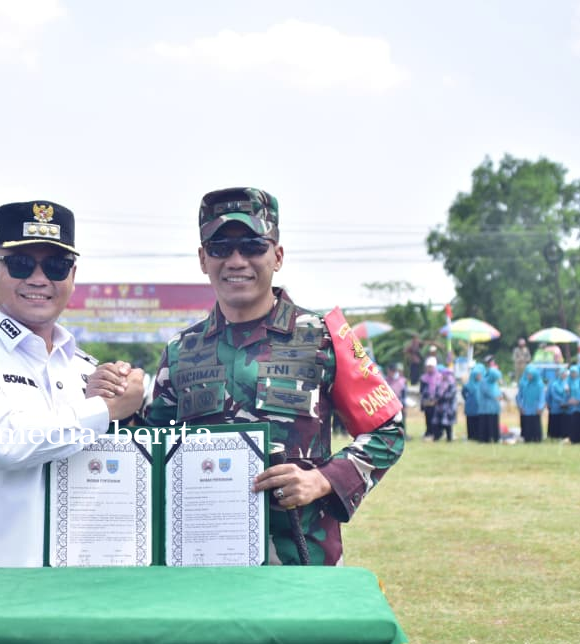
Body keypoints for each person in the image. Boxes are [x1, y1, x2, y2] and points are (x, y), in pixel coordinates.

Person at [143, 186, 404, 569]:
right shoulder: (181, 351)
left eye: (252, 246)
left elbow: (388, 431)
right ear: (202, 259)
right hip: (203, 563)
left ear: (277, 255)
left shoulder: (324, 337)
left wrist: (323, 480)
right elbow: (152, 451)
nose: (236, 261)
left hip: (301, 561)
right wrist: (119, 407)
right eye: (220, 248)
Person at [0, 199, 144, 568]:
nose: (39, 279)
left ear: (72, 276)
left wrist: (122, 403)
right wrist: (103, 410)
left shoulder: (84, 369)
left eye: (56, 266)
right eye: (21, 264)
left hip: (67, 585)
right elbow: (3, 442)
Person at [515, 364, 545, 442]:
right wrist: (520, 406)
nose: (528, 376)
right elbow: (519, 396)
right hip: (526, 407)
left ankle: (537, 438)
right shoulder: (525, 384)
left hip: (536, 408)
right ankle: (527, 438)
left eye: (530, 375)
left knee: (535, 422)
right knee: (527, 422)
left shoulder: (539, 384)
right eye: (527, 374)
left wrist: (540, 407)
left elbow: (542, 397)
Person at [430, 365, 457, 441]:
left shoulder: (451, 384)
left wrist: (441, 398)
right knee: (436, 423)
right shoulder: (439, 383)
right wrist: (435, 398)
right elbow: (435, 393)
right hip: (439, 407)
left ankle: (449, 437)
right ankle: (436, 436)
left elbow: (451, 394)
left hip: (448, 407)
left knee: (447, 423)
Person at [479, 365, 503, 443]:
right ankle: (486, 439)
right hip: (485, 408)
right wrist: (496, 397)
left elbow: (497, 391)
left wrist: (500, 396)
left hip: (494, 407)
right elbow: (487, 392)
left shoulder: (494, 383)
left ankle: (495, 438)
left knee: (494, 423)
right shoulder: (483, 382)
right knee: (487, 423)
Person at [546, 365, 571, 440]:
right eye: (562, 374)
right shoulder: (554, 383)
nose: (564, 375)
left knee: (563, 421)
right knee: (555, 420)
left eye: (565, 374)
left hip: (565, 407)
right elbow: (553, 394)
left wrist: (566, 401)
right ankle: (553, 435)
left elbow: (569, 393)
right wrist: (561, 401)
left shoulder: (567, 383)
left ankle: (563, 435)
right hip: (556, 406)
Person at [418, 357, 441, 439]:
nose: (429, 368)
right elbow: (421, 390)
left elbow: (440, 389)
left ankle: (436, 432)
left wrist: (436, 398)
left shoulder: (439, 377)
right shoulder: (423, 378)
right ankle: (429, 432)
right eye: (428, 367)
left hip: (436, 400)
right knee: (428, 416)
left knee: (435, 418)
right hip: (427, 401)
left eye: (431, 367)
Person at [462, 364, 485, 441]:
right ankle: (471, 436)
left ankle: (478, 436)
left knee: (478, 422)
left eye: (480, 375)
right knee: (470, 422)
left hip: (480, 407)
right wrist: (468, 399)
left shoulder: (482, 384)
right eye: (477, 375)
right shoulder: (467, 385)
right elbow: (463, 393)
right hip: (470, 407)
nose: (479, 377)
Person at [385, 362, 408, 438]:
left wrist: (404, 406)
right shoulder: (385, 381)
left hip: (400, 404)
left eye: (393, 371)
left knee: (401, 421)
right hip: (389, 405)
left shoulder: (402, 380)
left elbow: (404, 394)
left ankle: (403, 435)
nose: (392, 373)